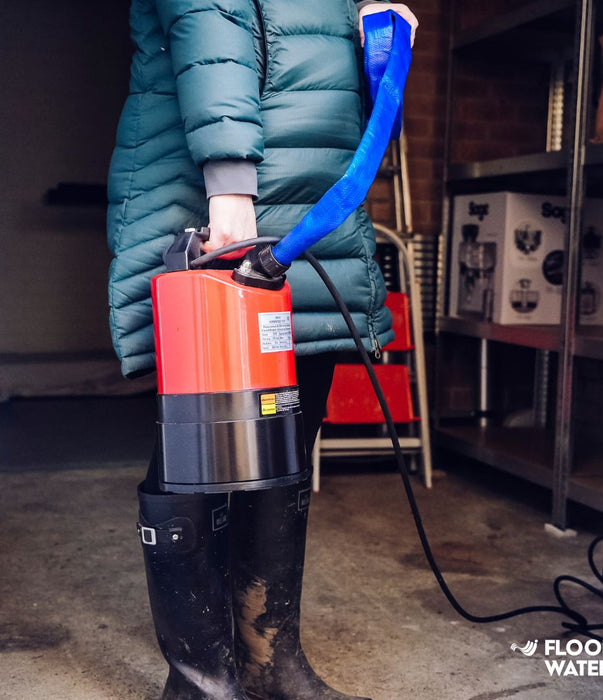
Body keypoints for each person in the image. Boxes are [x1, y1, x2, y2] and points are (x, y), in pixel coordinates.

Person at [106, 1, 418, 699]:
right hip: (235, 205)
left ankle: (270, 664)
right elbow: (208, 24)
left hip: (311, 211)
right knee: (204, 441)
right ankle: (200, 683)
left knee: (281, 432)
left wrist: (377, 31)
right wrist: (231, 189)